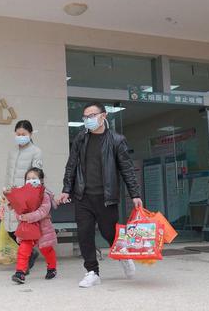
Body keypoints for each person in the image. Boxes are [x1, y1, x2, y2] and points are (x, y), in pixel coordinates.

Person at [56, 102, 143, 288]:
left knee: (109, 233)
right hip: (83, 196)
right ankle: (92, 272)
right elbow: (71, 165)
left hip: (106, 197)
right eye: (85, 117)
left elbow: (126, 169)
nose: (88, 120)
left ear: (103, 116)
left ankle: (123, 256)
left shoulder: (117, 140)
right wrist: (66, 189)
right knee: (84, 234)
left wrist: (135, 193)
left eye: (92, 115)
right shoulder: (80, 139)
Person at [2, 120, 43, 271]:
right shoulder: (12, 152)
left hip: (25, 196)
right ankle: (30, 253)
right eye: (18, 134)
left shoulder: (36, 151)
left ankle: (26, 258)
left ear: (30, 134)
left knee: (22, 228)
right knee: (10, 228)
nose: (20, 137)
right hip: (11, 194)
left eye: (23, 134)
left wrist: (29, 194)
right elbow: (8, 173)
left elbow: (37, 176)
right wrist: (5, 191)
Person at [11, 168, 58, 284]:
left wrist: (28, 217)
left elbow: (43, 211)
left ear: (41, 180)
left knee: (46, 249)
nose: (31, 181)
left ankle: (52, 268)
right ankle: (20, 272)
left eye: (34, 178)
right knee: (23, 249)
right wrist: (20, 216)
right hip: (28, 228)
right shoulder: (23, 194)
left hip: (43, 228)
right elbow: (19, 210)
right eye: (28, 179)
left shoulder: (44, 194)